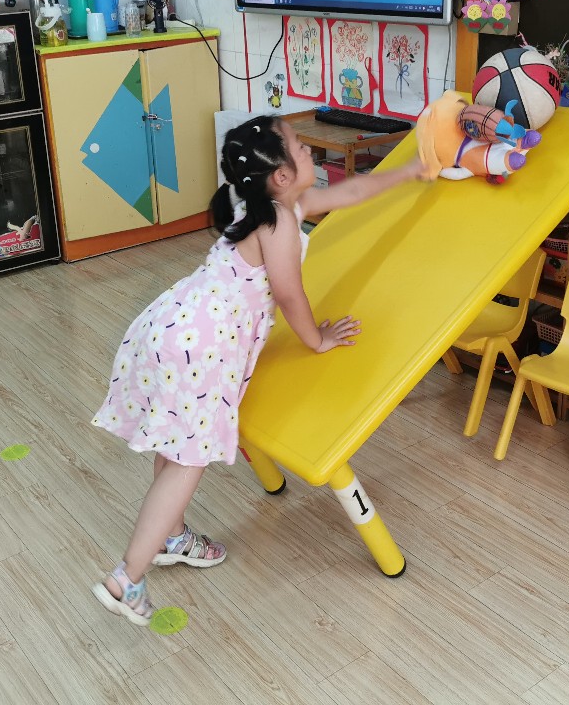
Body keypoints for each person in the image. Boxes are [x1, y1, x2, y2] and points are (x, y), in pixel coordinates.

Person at [91, 115, 427, 625]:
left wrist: (410, 171)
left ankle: (172, 536)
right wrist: (318, 339)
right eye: (301, 147)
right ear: (282, 175)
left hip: (173, 324)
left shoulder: (267, 203)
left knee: (176, 443)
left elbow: (353, 191)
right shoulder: (281, 222)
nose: (309, 151)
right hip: (202, 346)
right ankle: (127, 579)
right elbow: (289, 294)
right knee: (189, 460)